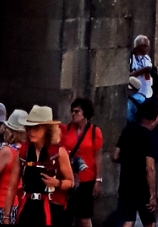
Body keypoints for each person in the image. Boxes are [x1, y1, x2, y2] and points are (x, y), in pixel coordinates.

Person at [16, 106, 74, 227]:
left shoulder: (59, 152)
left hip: (52, 208)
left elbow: (70, 181)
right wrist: (6, 216)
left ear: (47, 130)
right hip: (28, 207)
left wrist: (57, 183)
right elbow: (12, 185)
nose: (31, 132)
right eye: (29, 128)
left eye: (36, 128)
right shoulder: (24, 151)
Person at [113, 95, 158, 226]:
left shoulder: (128, 129)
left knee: (128, 220)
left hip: (126, 183)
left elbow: (115, 155)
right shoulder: (149, 136)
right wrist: (152, 194)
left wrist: (128, 160)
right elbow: (150, 167)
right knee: (149, 221)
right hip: (142, 187)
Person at [61, 96, 104, 227]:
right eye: (72, 111)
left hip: (87, 180)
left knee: (84, 217)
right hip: (69, 178)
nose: (73, 114)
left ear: (85, 113)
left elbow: (98, 157)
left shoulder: (94, 132)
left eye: (77, 111)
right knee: (67, 215)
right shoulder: (65, 129)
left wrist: (98, 180)